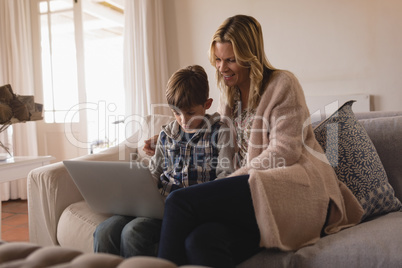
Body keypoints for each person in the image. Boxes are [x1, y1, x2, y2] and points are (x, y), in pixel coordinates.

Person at [144, 15, 364, 267]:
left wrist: (231, 181)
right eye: (217, 59)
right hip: (253, 192)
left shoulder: (283, 84)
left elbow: (285, 150)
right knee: (201, 242)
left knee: (178, 202)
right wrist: (168, 137)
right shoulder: (231, 95)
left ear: (250, 56)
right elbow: (211, 131)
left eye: (231, 60)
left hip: (292, 189)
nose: (221, 67)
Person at [93, 65, 235, 258]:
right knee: (104, 231)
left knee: (132, 233)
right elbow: (154, 172)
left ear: (207, 104)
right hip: (156, 204)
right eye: (176, 113)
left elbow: (225, 178)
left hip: (185, 211)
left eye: (191, 113)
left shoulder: (220, 132)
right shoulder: (167, 133)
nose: (183, 120)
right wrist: (138, 192)